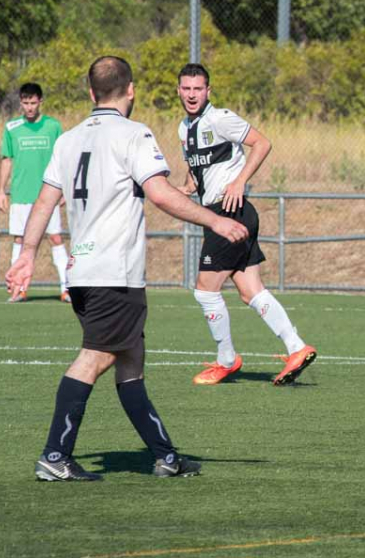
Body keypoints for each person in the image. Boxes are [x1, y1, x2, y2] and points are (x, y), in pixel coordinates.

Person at [5, 56, 249, 481]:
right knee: (95, 357)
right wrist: (215, 219)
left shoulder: (69, 139)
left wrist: (26, 253)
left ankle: (165, 456)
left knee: (131, 358)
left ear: (91, 93)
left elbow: (45, 202)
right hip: (112, 272)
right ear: (130, 90)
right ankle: (55, 455)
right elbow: (159, 194)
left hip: (83, 272)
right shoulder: (135, 135)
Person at [176, 63, 316, 387]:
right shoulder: (185, 128)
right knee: (250, 290)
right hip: (228, 213)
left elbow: (262, 143)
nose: (192, 94)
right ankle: (296, 347)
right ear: (179, 91)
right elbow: (197, 171)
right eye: (186, 88)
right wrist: (185, 188)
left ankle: (226, 361)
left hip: (230, 213)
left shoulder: (220, 118)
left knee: (205, 291)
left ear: (208, 91)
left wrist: (239, 181)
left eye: (198, 89)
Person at [1, 83, 70, 303]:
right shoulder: (12, 127)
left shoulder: (53, 126)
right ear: (20, 102)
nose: (29, 107)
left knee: (56, 238)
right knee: (20, 239)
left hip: (47, 196)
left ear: (40, 102)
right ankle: (18, 288)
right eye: (25, 103)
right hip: (21, 195)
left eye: (33, 103)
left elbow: (64, 160)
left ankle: (66, 288)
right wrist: (1, 190)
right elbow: (7, 160)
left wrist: (65, 189)